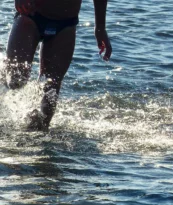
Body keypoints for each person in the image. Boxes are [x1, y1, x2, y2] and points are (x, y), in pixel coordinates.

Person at [4, 0, 112, 131]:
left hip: (65, 23)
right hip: (31, 14)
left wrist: (100, 28)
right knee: (16, 78)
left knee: (51, 88)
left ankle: (37, 134)